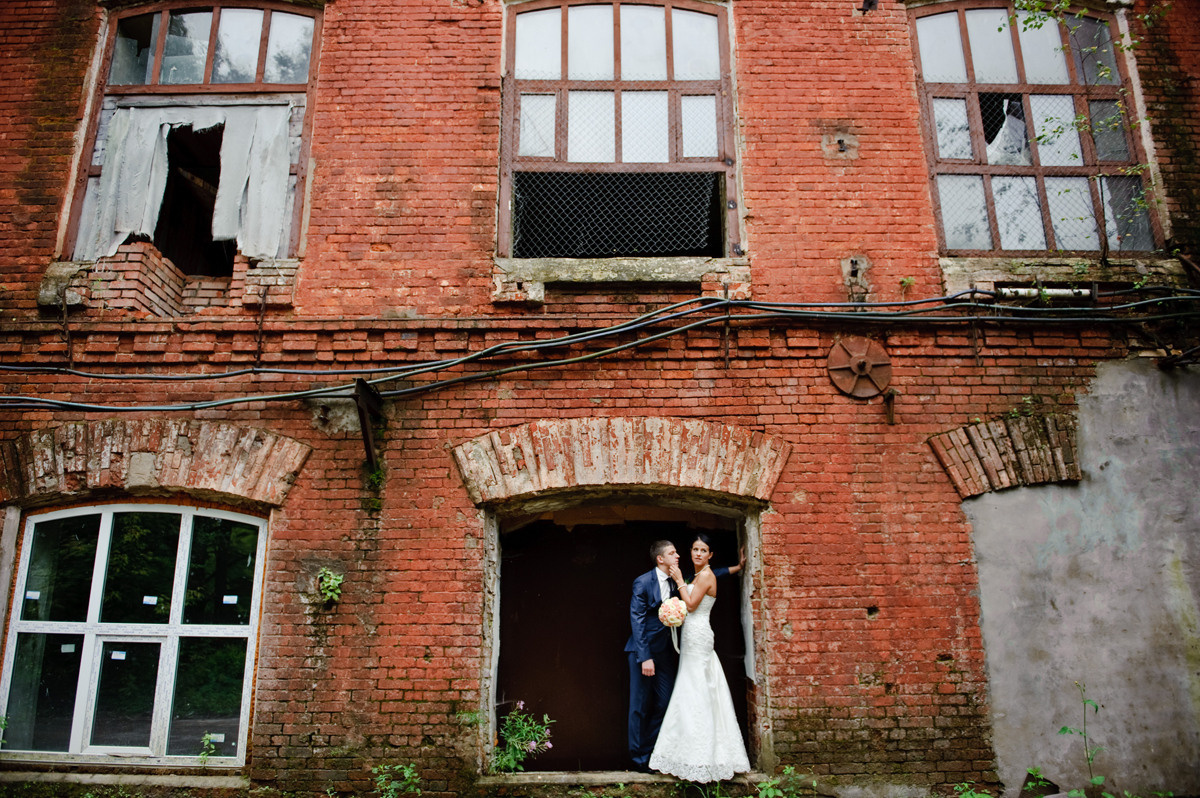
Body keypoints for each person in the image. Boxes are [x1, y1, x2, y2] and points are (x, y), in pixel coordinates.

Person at [626, 538, 743, 772]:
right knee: (639, 706)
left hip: (670, 652)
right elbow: (637, 621)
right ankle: (639, 760)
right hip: (644, 653)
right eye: (672, 553)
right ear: (661, 559)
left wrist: (737, 568)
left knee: (667, 702)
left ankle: (652, 750)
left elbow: (708, 576)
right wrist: (645, 656)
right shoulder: (643, 582)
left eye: (679, 552)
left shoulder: (677, 580)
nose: (678, 556)